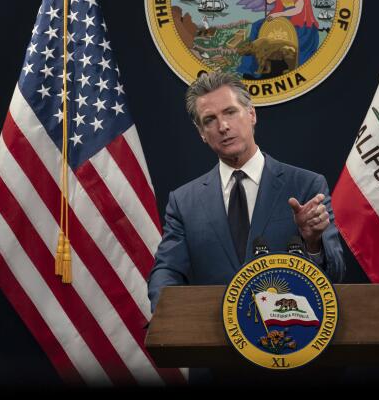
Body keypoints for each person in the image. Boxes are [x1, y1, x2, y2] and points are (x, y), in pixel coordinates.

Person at [147, 71, 345, 313]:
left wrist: (312, 241)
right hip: (212, 340)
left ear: (251, 114)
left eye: (230, 112)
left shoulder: (306, 185)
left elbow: (336, 274)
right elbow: (167, 270)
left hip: (289, 335)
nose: (223, 126)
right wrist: (166, 314)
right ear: (201, 133)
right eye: (210, 120)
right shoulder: (184, 202)